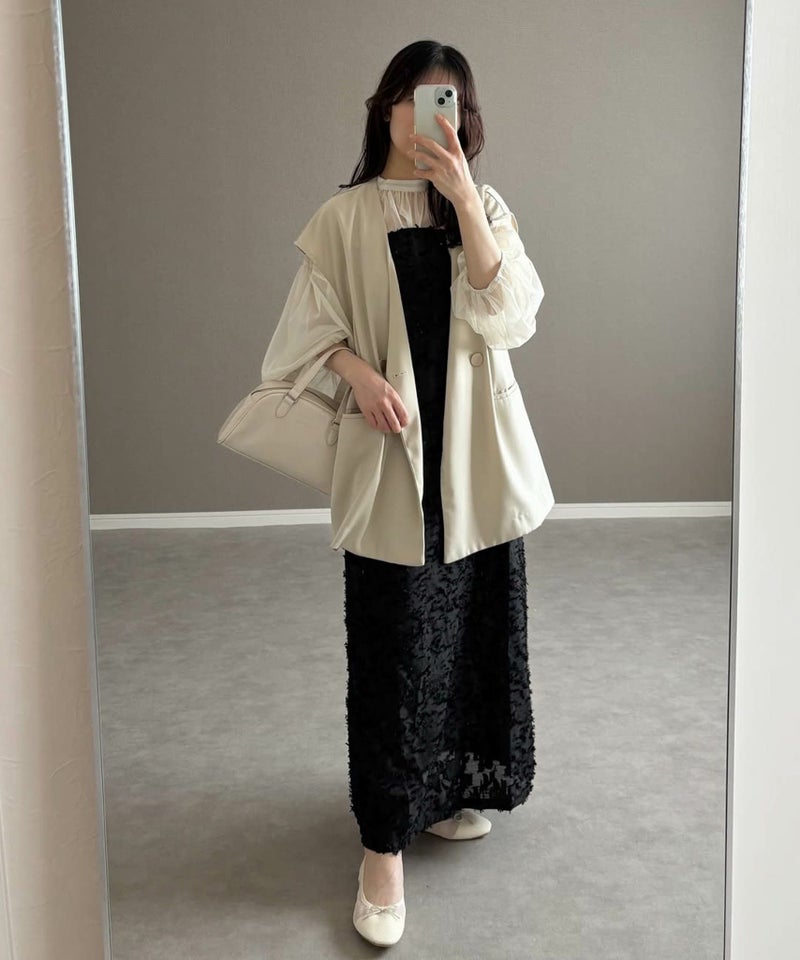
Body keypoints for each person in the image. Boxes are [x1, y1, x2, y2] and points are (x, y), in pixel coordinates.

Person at [260, 40, 553, 946]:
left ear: (464, 119)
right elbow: (302, 338)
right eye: (418, 99)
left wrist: (463, 199)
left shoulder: (483, 207)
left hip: (475, 463)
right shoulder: (342, 218)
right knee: (393, 653)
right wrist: (358, 373)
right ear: (386, 108)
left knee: (469, 638)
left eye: (450, 103)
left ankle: (443, 793)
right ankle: (382, 846)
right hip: (391, 457)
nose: (432, 116)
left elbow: (514, 318)